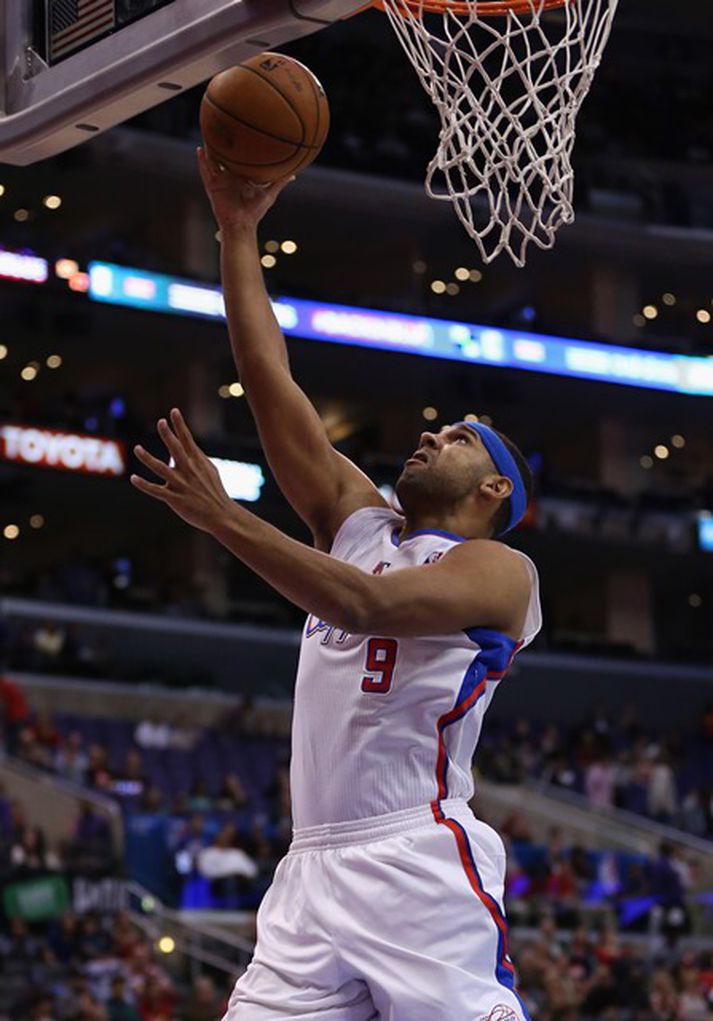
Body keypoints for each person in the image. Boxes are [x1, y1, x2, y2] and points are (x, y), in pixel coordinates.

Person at [129, 149, 542, 1021]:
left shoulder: (500, 572)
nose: (431, 434)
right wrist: (237, 229)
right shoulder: (359, 523)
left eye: (459, 437)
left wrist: (225, 519)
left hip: (413, 858)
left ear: (493, 488)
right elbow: (269, 378)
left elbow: (364, 604)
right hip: (309, 866)